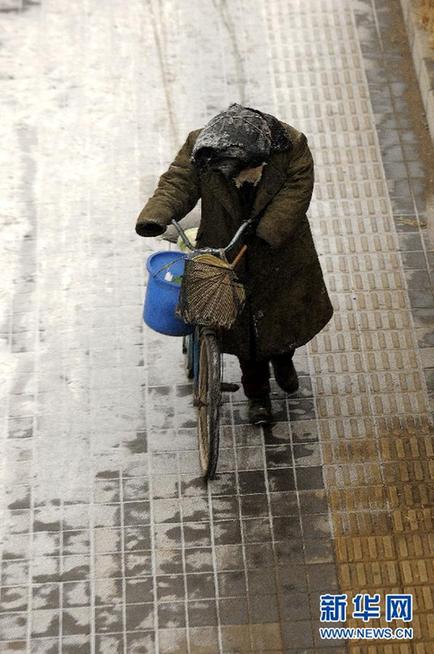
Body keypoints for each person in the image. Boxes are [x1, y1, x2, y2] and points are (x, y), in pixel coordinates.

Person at [135, 103, 333, 424]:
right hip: (225, 250)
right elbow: (178, 182)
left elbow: (296, 192)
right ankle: (257, 396)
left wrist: (266, 231)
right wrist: (156, 215)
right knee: (241, 330)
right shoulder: (202, 147)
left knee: (281, 319)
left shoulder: (292, 145)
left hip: (280, 251)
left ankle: (284, 357)